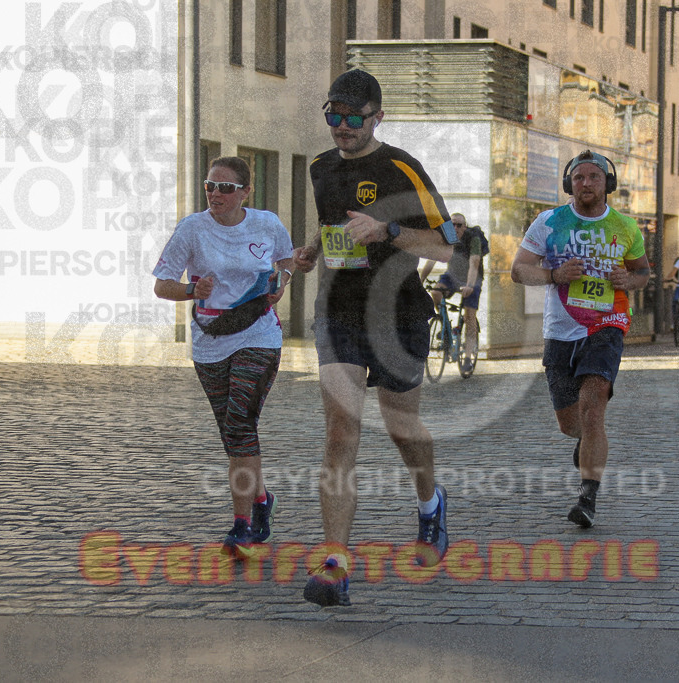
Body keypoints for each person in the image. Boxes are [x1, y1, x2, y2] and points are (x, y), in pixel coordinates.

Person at [292, 69, 456, 606]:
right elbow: (336, 221)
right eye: (332, 116)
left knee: (401, 428)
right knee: (340, 431)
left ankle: (431, 503)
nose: (340, 127)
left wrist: (386, 230)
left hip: (398, 315)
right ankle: (335, 562)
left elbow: (449, 245)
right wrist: (315, 247)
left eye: (351, 118)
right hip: (337, 312)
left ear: (376, 117)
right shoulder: (320, 168)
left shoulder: (401, 167)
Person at [152, 156, 294, 556]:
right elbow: (163, 285)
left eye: (226, 188)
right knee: (234, 436)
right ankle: (262, 498)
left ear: (246, 192)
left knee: (239, 421)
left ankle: (242, 525)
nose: (215, 193)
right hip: (211, 339)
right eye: (210, 186)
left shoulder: (267, 223)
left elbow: (285, 261)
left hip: (259, 334)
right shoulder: (192, 229)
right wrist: (190, 292)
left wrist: (281, 282)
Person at [510, 149, 650, 528]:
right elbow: (519, 270)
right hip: (560, 331)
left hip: (607, 325)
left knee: (592, 407)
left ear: (608, 184)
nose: (585, 183)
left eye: (593, 177)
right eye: (578, 178)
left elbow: (642, 273)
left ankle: (587, 497)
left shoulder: (626, 227)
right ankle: (585, 443)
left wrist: (629, 281)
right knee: (570, 423)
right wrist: (554, 275)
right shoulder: (549, 221)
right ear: (569, 183)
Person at [419, 213, 489, 374]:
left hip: (473, 279)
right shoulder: (446, 238)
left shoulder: (474, 239)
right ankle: (445, 325)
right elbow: (432, 259)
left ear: (465, 226)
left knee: (469, 316)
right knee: (436, 293)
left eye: (459, 225)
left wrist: (470, 285)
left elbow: (474, 263)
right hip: (452, 276)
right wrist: (421, 280)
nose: (455, 228)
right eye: (453, 224)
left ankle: (467, 357)